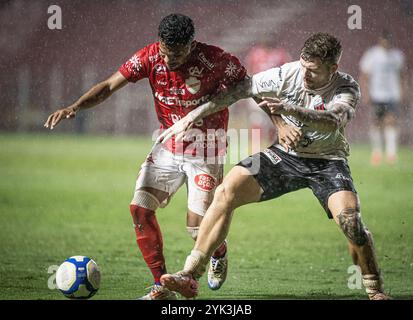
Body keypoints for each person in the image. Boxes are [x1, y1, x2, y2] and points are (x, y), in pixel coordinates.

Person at [157, 33, 390, 300]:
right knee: (226, 191)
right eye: (304, 67)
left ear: (332, 68)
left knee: (352, 223)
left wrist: (291, 111)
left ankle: (375, 291)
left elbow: (335, 120)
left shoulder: (346, 87)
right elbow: (239, 91)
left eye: (313, 71)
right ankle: (189, 274)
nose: (305, 75)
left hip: (327, 162)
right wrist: (193, 115)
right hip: (286, 156)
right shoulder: (287, 73)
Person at [44, 13, 248, 300]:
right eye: (165, 52)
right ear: (159, 43)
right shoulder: (149, 57)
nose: (169, 60)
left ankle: (219, 252)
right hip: (167, 145)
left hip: (206, 150)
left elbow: (248, 86)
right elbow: (109, 86)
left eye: (176, 54)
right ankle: (161, 287)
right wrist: (74, 107)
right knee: (140, 209)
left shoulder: (215, 60)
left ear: (191, 45)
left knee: (196, 230)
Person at [359, 31, 409, 166]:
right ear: (380, 40)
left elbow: (402, 75)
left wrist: (405, 91)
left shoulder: (397, 56)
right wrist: (365, 92)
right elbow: (364, 75)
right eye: (384, 41)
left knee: (391, 121)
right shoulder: (372, 55)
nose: (386, 43)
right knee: (376, 123)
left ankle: (391, 154)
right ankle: (377, 152)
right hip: (377, 94)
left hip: (392, 94)